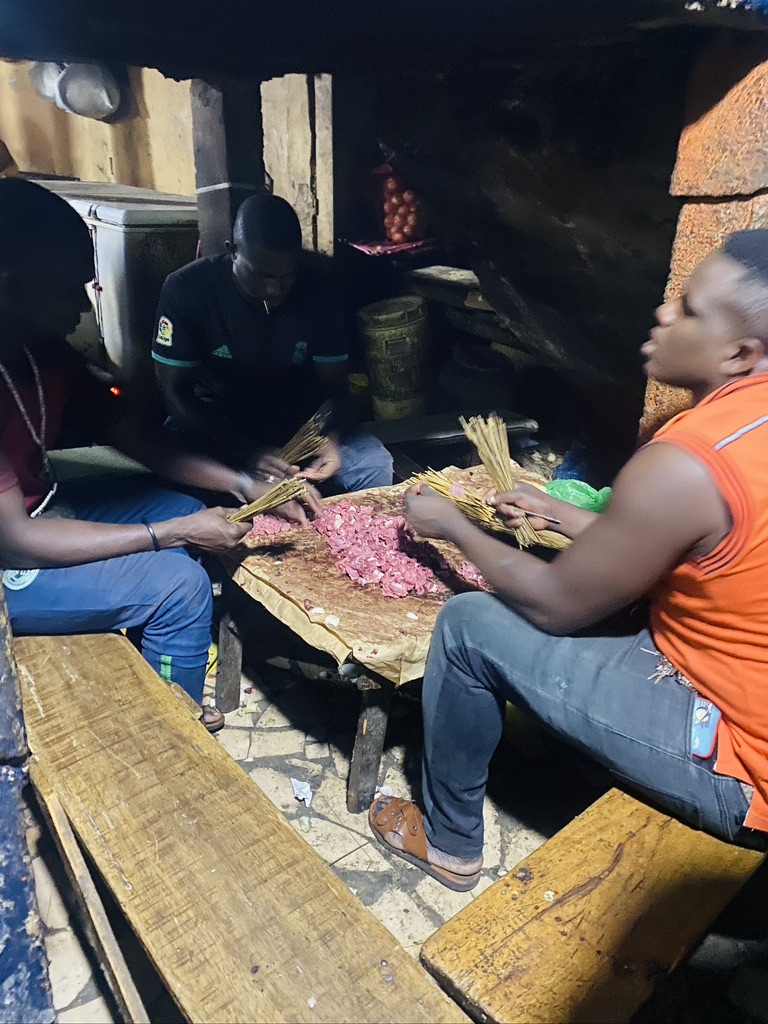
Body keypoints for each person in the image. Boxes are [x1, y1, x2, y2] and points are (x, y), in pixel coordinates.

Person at [370, 230, 768, 890]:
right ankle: (594, 750)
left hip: (742, 758)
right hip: (733, 673)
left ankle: (451, 845)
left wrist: (451, 527)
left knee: (469, 626)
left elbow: (555, 605)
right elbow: (699, 549)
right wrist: (563, 515)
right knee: (619, 607)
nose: (665, 314)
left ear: (739, 352)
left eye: (691, 310)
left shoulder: (687, 462)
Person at [0, 179, 309, 732]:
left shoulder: (40, 352)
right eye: (69, 286)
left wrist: (241, 484)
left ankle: (161, 671)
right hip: (9, 554)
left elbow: (143, 440)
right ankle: (170, 731)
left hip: (37, 510)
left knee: (176, 503)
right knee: (178, 583)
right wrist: (172, 536)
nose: (83, 301)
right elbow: (16, 542)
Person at [152, 192, 393, 493]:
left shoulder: (319, 289)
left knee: (373, 468)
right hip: (216, 424)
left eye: (285, 276)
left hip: (297, 422)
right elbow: (174, 394)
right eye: (262, 274)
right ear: (233, 251)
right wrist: (247, 453)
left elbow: (334, 388)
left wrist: (327, 439)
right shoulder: (187, 289)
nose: (274, 288)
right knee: (175, 479)